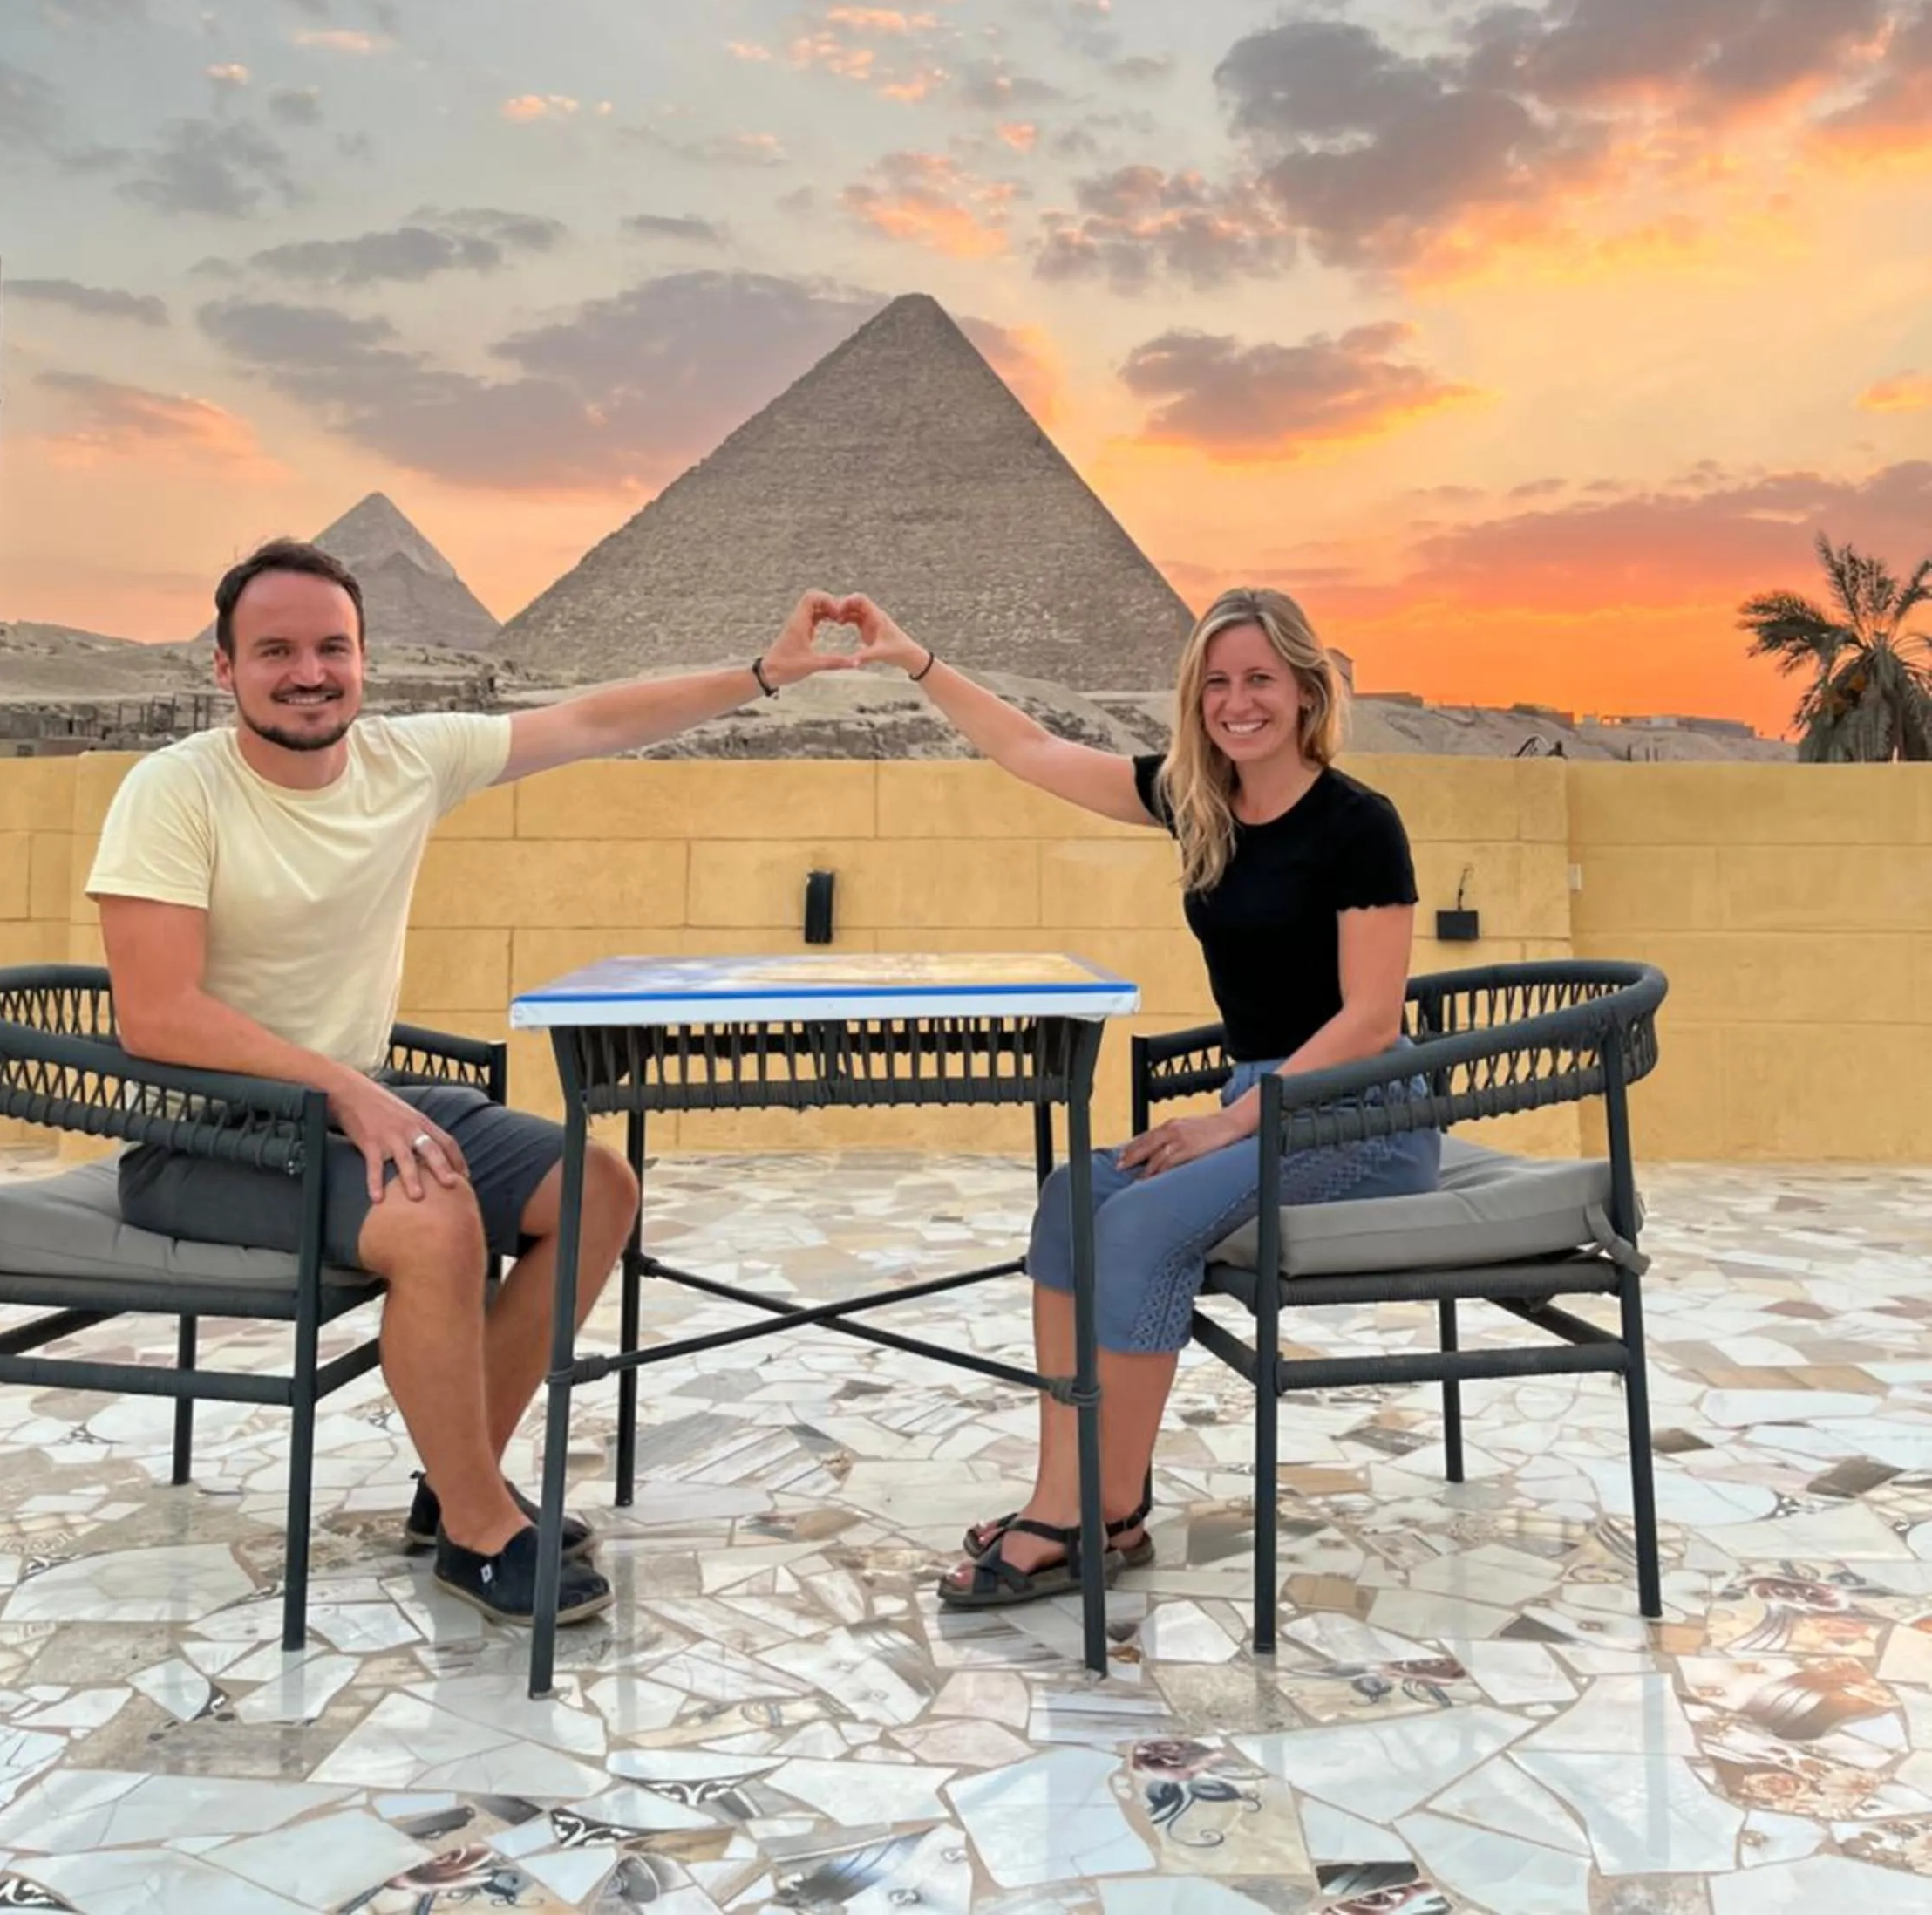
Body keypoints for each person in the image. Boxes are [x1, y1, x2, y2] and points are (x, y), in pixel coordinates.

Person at [88, 536, 853, 1627]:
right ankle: (482, 1531)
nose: (308, 673)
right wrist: (354, 1097)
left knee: (596, 1187)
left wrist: (765, 675)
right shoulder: (174, 791)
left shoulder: (406, 758)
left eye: (331, 648)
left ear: (364, 658)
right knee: (433, 1220)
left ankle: (457, 1486)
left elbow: (594, 720)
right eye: (274, 651)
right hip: (203, 1136)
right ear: (224, 669)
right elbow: (156, 1015)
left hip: (356, 1101)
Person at [838, 583, 1437, 1606]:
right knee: (1075, 1197)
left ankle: (1096, 1513)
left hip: (1362, 1115)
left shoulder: (1357, 824)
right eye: (1216, 683)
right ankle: (1066, 1494)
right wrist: (914, 662)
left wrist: (1232, 1119)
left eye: (1258, 680)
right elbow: (1032, 752)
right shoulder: (1195, 800)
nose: (1236, 703)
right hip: (1262, 1102)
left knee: (1147, 1223)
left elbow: (1371, 1021)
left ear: (1303, 689)